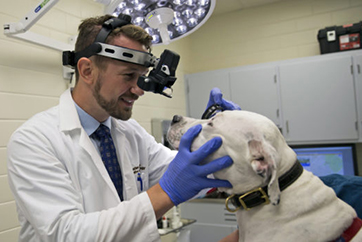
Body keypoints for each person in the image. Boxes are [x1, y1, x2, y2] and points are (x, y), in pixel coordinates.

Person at [7, 15, 236, 242]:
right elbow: (67, 234)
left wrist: (225, 138)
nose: (139, 90)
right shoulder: (33, 141)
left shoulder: (130, 132)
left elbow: (190, 171)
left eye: (142, 77)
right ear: (87, 71)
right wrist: (164, 193)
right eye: (129, 76)